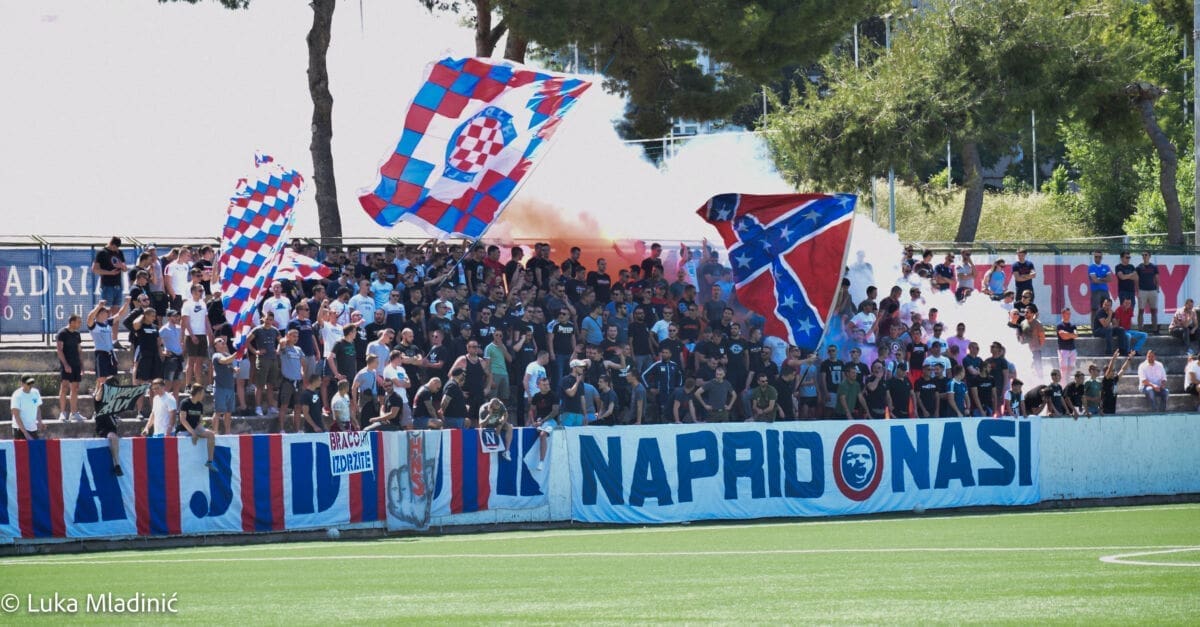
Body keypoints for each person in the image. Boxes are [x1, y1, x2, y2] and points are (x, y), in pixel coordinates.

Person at [87, 298, 128, 398]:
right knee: (102, 379)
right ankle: (98, 397)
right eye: (105, 312)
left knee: (110, 379)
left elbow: (120, 314)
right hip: (101, 354)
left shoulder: (108, 323)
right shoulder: (94, 325)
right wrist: (99, 306)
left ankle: (99, 394)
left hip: (110, 354)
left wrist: (127, 302)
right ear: (100, 314)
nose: (108, 314)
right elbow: (90, 317)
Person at [176, 384, 218, 471]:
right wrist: (193, 433)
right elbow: (183, 420)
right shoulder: (185, 403)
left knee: (211, 435)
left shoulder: (200, 405)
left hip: (195, 430)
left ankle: (210, 461)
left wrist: (204, 431)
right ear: (198, 393)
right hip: (183, 431)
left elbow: (199, 422)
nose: (203, 395)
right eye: (202, 393)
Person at [180, 284, 212, 389]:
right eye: (200, 290)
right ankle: (188, 385)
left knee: (199, 362)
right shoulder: (187, 304)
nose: (202, 292)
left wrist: (210, 333)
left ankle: (198, 385)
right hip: (191, 335)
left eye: (202, 290)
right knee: (191, 361)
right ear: (193, 292)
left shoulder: (203, 303)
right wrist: (192, 335)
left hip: (202, 335)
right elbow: (185, 321)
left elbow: (206, 320)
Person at [56, 314, 86, 422]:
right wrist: (65, 365)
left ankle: (74, 413)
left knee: (75, 388)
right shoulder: (62, 333)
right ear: (72, 322)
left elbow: (79, 350)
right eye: (78, 322)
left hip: (76, 364)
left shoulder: (77, 334)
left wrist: (82, 365)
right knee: (64, 387)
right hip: (66, 364)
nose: (80, 324)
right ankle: (62, 413)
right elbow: (59, 350)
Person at [92, 236, 129, 318]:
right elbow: (95, 269)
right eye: (115, 247)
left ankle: (114, 327)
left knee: (116, 313)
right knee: (106, 311)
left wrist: (121, 266)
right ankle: (105, 326)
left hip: (118, 285)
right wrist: (109, 273)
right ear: (111, 244)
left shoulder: (119, 252)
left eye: (117, 247)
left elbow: (125, 269)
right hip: (107, 285)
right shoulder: (102, 253)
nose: (116, 249)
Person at [210, 337, 237, 435]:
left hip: (230, 387)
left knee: (228, 412)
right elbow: (225, 361)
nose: (222, 342)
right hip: (220, 387)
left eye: (223, 341)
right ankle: (215, 433)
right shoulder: (216, 355)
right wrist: (237, 353)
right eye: (219, 341)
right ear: (215, 346)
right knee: (218, 412)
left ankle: (228, 433)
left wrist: (235, 369)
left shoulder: (227, 355)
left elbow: (231, 366)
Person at [10, 375, 44, 440]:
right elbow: (16, 415)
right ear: (22, 384)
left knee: (35, 446)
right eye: (28, 383)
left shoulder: (35, 392)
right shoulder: (17, 395)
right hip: (20, 430)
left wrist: (40, 422)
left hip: (33, 429)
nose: (31, 385)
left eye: (32, 383)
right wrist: (26, 433)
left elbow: (37, 408)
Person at [558, 359, 589, 427]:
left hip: (579, 414)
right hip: (567, 412)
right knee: (567, 432)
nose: (583, 368)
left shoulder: (581, 382)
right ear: (574, 368)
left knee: (577, 433)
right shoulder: (565, 379)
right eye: (580, 367)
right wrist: (577, 382)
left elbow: (582, 398)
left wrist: (585, 414)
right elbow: (571, 394)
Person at [1101, 350, 1133, 415]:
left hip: (1113, 405)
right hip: (1105, 407)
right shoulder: (1105, 380)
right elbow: (1110, 369)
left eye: (1114, 370)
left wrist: (1129, 359)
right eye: (1112, 371)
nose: (1114, 372)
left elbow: (1123, 369)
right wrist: (1113, 358)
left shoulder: (1114, 379)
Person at [1135, 251, 1161, 333]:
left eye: (1146, 255)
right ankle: (1140, 329)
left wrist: (1157, 288)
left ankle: (1155, 330)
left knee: (1154, 311)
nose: (1144, 256)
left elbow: (1157, 278)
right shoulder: (1139, 267)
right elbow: (1136, 280)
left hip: (1152, 291)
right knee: (1141, 311)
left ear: (1149, 256)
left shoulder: (1154, 267)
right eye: (1143, 255)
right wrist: (1137, 290)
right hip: (1142, 291)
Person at [1087, 250, 1112, 314]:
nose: (1098, 258)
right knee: (1095, 310)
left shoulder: (1106, 267)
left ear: (1102, 257)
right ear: (1094, 257)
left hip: (1105, 291)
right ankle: (1094, 321)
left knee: (1107, 309)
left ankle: (1106, 321)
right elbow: (1095, 280)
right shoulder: (1091, 267)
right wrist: (1104, 279)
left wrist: (1099, 278)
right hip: (1095, 291)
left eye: (1099, 257)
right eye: (1096, 257)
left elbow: (1110, 279)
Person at [1056, 309, 1078, 375]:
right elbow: (1063, 337)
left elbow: (1076, 335)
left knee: (1071, 370)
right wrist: (1071, 335)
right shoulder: (1059, 325)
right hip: (1063, 350)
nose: (1069, 315)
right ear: (1063, 314)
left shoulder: (1073, 325)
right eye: (1067, 313)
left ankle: (1069, 380)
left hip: (1072, 350)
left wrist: (1067, 334)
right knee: (1063, 370)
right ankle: (1063, 381)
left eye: (1069, 314)